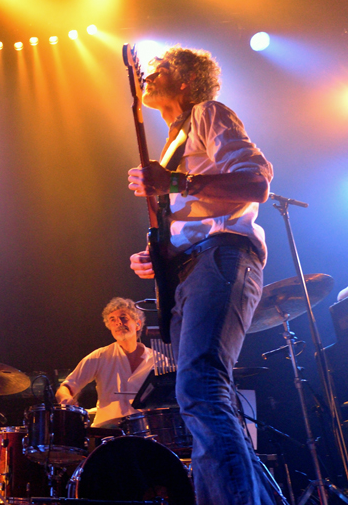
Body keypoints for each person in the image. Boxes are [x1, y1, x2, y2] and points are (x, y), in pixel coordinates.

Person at [127, 46, 279, 504]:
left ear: (188, 81)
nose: (147, 76)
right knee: (209, 399)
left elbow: (256, 183)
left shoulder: (208, 114)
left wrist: (174, 183)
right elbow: (191, 216)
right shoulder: (172, 145)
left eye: (160, 69)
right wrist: (159, 255)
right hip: (192, 270)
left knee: (201, 387)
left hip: (222, 258)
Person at [55, 297, 154, 427]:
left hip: (144, 431)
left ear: (138, 324)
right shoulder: (100, 356)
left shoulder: (157, 359)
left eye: (123, 317)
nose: (118, 322)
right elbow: (65, 388)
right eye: (112, 320)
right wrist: (65, 398)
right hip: (107, 433)